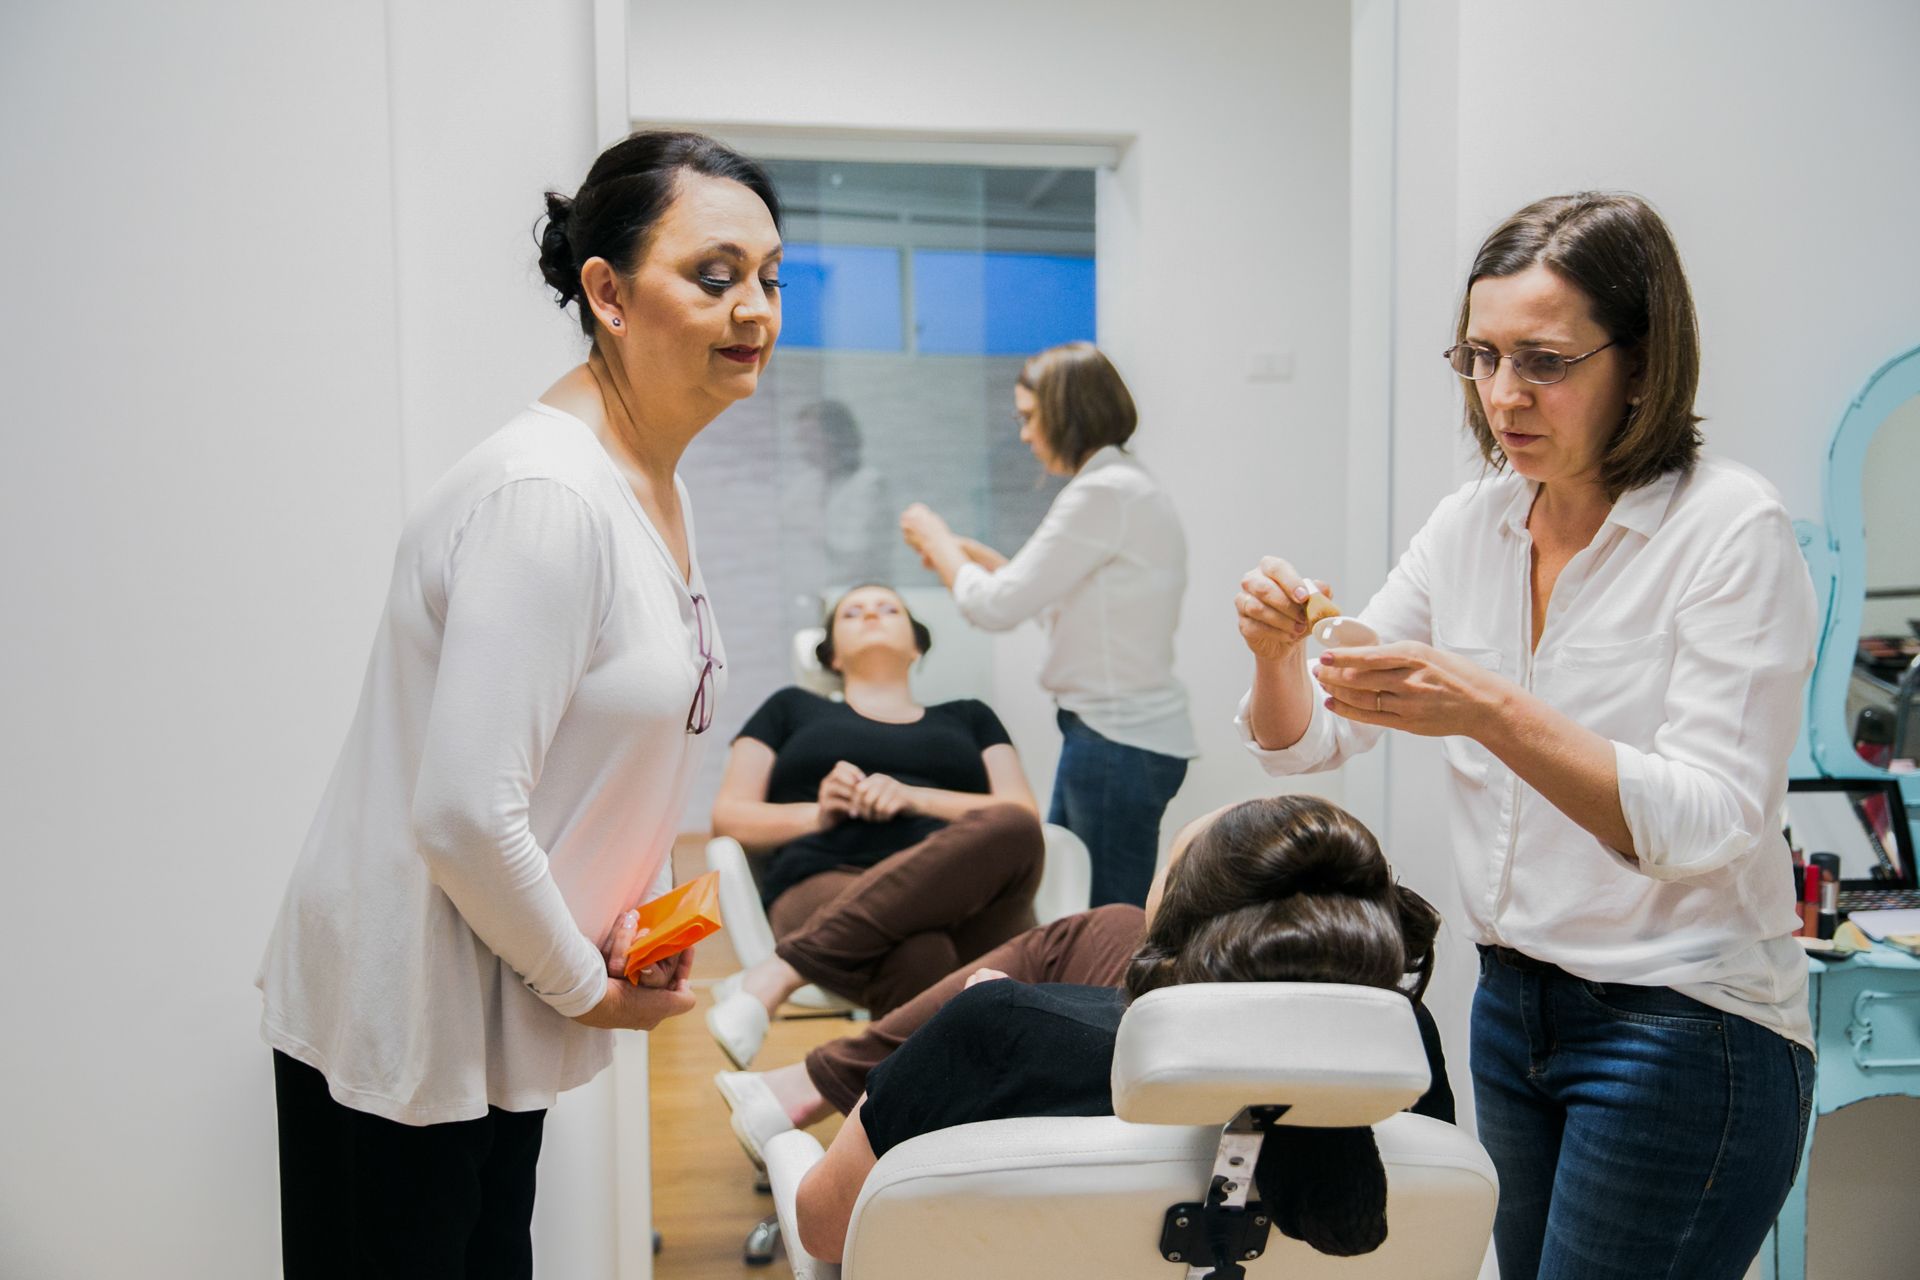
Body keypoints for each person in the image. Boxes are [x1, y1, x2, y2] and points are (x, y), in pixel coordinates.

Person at [1233, 192, 1817, 1280]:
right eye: (1482, 356)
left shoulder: (1729, 528)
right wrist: (1276, 654)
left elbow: (1705, 824)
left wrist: (1491, 709)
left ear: (1641, 364)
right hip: (1511, 1007)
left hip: (1685, 1023)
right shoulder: (1475, 521)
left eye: (1543, 361)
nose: (1503, 394)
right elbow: (1312, 738)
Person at [254, 130, 784, 1278]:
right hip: (411, 1008)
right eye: (714, 275)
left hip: (499, 984)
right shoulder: (549, 496)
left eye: (769, 276)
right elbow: (463, 811)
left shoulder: (653, 483)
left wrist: (626, 929)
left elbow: (596, 754)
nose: (754, 308)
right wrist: (588, 987)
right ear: (608, 293)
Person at [790, 795, 1455, 1264]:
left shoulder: (1000, 1030)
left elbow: (825, 1229)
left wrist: (955, 1040)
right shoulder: (1405, 1046)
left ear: (1168, 916)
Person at [900, 343, 1196, 908]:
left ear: (1066, 412)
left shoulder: (1103, 493)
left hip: (1115, 739)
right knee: (1071, 894)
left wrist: (939, 542)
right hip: (1113, 735)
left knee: (1102, 914)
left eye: (1029, 417)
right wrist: (974, 560)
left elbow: (995, 608)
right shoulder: (1123, 486)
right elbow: (1054, 602)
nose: (1024, 435)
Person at [704, 583, 1044, 1070]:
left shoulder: (971, 717)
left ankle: (780, 973)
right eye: (852, 613)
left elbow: (1021, 813)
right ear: (831, 656)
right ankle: (911, 1109)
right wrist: (818, 813)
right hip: (829, 881)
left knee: (1012, 825)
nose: (870, 615)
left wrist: (913, 797)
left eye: (888, 609)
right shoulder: (789, 709)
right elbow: (729, 817)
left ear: (916, 646)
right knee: (920, 954)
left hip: (964, 895)